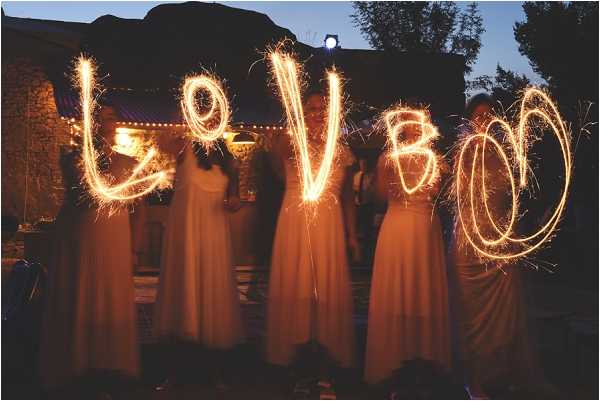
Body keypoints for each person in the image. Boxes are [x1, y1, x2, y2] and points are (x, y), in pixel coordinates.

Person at [448, 93, 550, 399]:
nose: (484, 121)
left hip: (501, 242)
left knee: (507, 315)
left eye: (489, 116)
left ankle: (508, 374)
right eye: (478, 116)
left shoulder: (504, 153)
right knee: (470, 316)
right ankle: (474, 378)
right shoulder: (462, 153)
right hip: (469, 243)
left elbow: (514, 199)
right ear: (468, 121)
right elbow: (456, 195)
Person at [39, 105, 140, 395]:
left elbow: (138, 209)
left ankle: (108, 365)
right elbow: (82, 196)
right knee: (82, 291)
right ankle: (78, 365)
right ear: (91, 124)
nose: (109, 123)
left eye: (112, 117)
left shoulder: (130, 163)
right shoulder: (74, 160)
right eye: (102, 118)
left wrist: (136, 247)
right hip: (82, 235)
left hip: (115, 237)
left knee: (111, 295)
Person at [266, 90, 360, 391]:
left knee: (326, 286)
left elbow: (347, 198)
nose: (317, 113)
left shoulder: (341, 149)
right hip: (296, 217)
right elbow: (280, 173)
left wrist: (351, 234)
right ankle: (293, 361)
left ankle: (325, 362)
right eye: (311, 108)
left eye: (323, 109)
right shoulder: (289, 140)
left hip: (330, 221)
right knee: (297, 282)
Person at [364, 110, 451, 385]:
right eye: (412, 121)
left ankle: (424, 356)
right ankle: (395, 355)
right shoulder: (388, 159)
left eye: (421, 121)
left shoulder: (437, 160)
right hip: (398, 225)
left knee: (422, 287)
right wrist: (389, 179)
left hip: (425, 229)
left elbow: (439, 196)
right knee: (398, 286)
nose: (417, 126)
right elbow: (379, 198)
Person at [153, 136, 244, 389]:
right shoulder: (184, 148)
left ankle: (215, 373)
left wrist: (235, 203)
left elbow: (235, 198)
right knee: (184, 298)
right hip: (187, 237)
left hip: (214, 238)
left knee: (212, 301)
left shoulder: (228, 160)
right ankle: (175, 373)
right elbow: (162, 144)